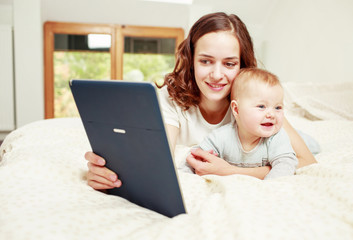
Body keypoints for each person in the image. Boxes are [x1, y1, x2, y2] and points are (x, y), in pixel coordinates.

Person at [85, 12, 317, 190]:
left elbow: (306, 161)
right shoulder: (170, 98)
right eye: (206, 61)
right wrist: (109, 173)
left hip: (276, 147)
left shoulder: (258, 105)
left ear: (243, 66)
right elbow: (158, 162)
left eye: (229, 64)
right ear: (191, 60)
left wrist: (230, 171)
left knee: (310, 142)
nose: (217, 75)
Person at [185, 68, 298, 179]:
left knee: (313, 145)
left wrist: (268, 188)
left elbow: (286, 165)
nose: (272, 114)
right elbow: (195, 158)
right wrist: (187, 176)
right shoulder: (221, 137)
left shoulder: (276, 137)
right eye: (261, 106)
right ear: (236, 109)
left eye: (278, 107)